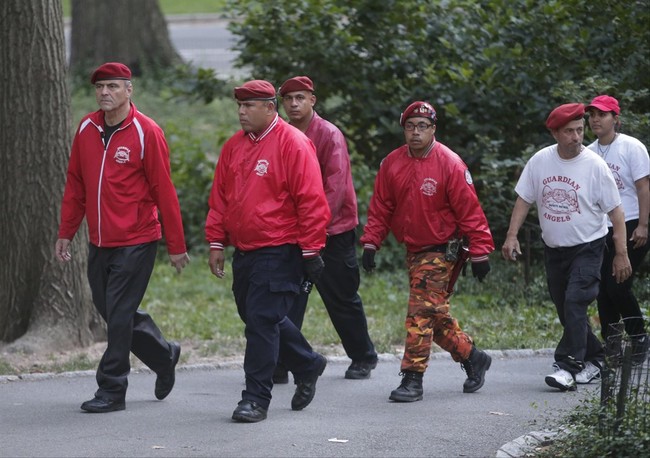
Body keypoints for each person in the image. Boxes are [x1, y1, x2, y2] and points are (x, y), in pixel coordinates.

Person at [55, 62, 190, 413]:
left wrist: (176, 246)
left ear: (129, 90)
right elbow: (76, 185)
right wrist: (66, 232)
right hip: (99, 241)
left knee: (117, 317)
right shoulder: (85, 128)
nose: (105, 93)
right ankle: (164, 354)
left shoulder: (147, 132)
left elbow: (164, 191)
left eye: (113, 86)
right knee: (114, 311)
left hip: (137, 239)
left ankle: (112, 389)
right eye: (100, 87)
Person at [205, 79, 331, 423]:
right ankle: (308, 363)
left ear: (270, 108)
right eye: (239, 106)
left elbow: (311, 201)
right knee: (260, 316)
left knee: (261, 321)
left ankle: (255, 399)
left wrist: (310, 250)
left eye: (249, 106)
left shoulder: (294, 144)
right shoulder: (234, 147)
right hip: (245, 250)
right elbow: (221, 198)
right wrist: (216, 241)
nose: (242, 113)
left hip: (280, 247)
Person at [360, 101, 495, 402]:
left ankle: (412, 378)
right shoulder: (392, 163)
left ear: (433, 129)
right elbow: (382, 207)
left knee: (419, 314)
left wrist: (480, 252)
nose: (416, 132)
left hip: (441, 251)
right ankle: (473, 357)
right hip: (414, 251)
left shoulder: (450, 163)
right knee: (434, 316)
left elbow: (470, 211)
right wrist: (371, 242)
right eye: (410, 126)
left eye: (422, 126)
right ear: (404, 129)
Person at [501, 102, 632, 392]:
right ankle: (596, 359)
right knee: (566, 310)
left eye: (579, 130)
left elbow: (617, 212)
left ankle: (567, 366)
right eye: (569, 132)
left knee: (576, 302)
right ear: (555, 133)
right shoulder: (540, 161)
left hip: (588, 247)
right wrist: (512, 236)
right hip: (555, 249)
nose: (577, 137)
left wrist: (620, 253)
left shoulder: (595, 165)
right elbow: (524, 199)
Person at [272, 75, 378, 383]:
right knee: (288, 299)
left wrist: (314, 231)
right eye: (288, 99)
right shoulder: (281, 134)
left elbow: (336, 189)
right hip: (294, 232)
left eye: (300, 98)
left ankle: (363, 356)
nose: (293, 104)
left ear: (312, 100)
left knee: (341, 297)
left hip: (333, 231)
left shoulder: (329, 135)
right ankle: (281, 361)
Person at [586, 95, 649, 366]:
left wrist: (645, 225)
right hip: (602, 227)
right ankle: (611, 344)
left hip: (633, 222)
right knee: (603, 288)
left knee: (618, 285)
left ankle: (639, 338)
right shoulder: (588, 151)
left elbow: (643, 187)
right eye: (592, 115)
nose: (595, 119)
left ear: (615, 118)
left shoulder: (631, 147)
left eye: (602, 114)